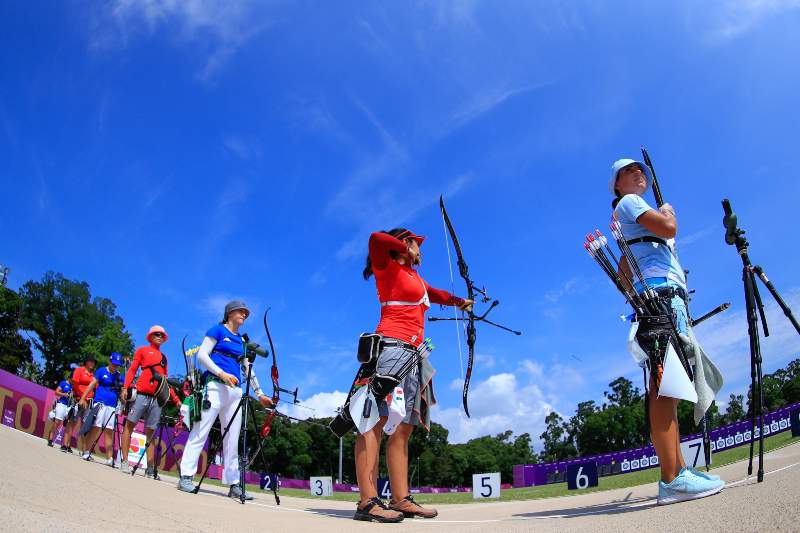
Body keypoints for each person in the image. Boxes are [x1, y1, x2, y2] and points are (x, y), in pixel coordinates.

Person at [610, 158, 724, 505]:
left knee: (670, 385)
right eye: (628, 171)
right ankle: (671, 478)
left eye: (639, 169)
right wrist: (669, 213)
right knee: (663, 387)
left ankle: (679, 472)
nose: (638, 173)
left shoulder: (626, 222)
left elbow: (623, 275)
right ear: (617, 186)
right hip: (660, 298)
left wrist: (641, 298)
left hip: (660, 298)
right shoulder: (630, 203)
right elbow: (669, 228)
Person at [352, 228, 473, 522]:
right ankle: (367, 501)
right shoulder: (387, 267)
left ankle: (400, 499)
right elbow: (376, 239)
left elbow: (435, 294)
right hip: (390, 350)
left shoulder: (415, 278)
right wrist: (405, 247)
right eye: (417, 244)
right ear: (404, 244)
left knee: (404, 427)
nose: (421, 251)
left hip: (414, 354)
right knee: (374, 422)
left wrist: (460, 301)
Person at [177, 301, 273, 500]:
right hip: (215, 386)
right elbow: (203, 356)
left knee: (232, 439)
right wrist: (221, 374)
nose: (244, 315)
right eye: (241, 311)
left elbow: (248, 368)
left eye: (246, 313)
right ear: (229, 313)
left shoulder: (242, 341)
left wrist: (260, 393)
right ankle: (186, 476)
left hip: (235, 392)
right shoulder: (218, 330)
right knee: (201, 430)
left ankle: (234, 484)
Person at [119, 326, 181, 476]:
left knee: (151, 433)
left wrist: (176, 399)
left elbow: (165, 382)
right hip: (140, 394)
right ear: (150, 336)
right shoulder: (142, 350)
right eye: (156, 334)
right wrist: (125, 387)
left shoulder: (164, 358)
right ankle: (125, 461)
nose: (159, 336)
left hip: (156, 398)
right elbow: (133, 370)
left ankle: (150, 468)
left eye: (162, 335)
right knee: (129, 426)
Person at [79, 352, 123, 466]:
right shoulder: (101, 371)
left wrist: (124, 393)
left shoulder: (119, 376)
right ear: (110, 361)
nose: (115, 366)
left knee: (109, 431)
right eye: (114, 364)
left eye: (117, 365)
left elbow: (123, 395)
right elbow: (92, 385)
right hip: (100, 403)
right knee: (96, 427)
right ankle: (87, 451)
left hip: (112, 406)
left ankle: (109, 458)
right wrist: (83, 398)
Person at [70, 355, 96, 455]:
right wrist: (81, 398)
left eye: (93, 362)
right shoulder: (79, 370)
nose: (92, 363)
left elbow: (95, 389)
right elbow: (75, 384)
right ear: (86, 362)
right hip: (78, 399)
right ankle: (65, 444)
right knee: (72, 421)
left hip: (89, 402)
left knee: (85, 425)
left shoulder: (93, 375)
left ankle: (84, 450)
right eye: (90, 361)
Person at [47, 374, 73, 449]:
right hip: (61, 404)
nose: (73, 381)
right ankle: (50, 439)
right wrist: (64, 394)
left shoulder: (73, 387)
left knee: (67, 424)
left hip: (68, 406)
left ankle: (64, 445)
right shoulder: (63, 383)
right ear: (69, 378)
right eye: (72, 379)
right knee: (57, 422)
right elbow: (56, 392)